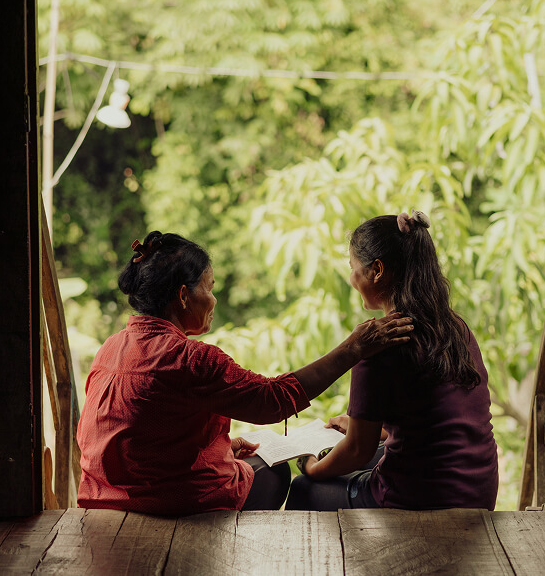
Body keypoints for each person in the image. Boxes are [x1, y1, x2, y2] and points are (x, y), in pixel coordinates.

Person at [76, 230, 413, 516]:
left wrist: (219, 447)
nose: (214, 298)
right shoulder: (190, 359)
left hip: (105, 500)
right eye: (208, 287)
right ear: (183, 296)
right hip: (168, 504)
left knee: (250, 460)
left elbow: (140, 435)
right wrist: (352, 349)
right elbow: (273, 400)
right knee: (278, 471)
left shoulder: (110, 348)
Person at [285, 210, 499, 511]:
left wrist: (310, 466)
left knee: (304, 489)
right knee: (377, 452)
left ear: (377, 270)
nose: (351, 277)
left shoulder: (376, 345)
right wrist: (361, 425)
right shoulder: (453, 326)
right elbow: (433, 420)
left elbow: (358, 451)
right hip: (479, 491)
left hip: (421, 499)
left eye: (352, 266)